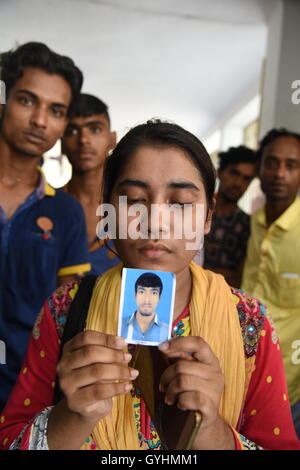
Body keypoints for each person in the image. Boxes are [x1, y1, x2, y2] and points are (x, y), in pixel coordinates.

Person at [0, 120, 299, 450]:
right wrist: (70, 417)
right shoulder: (65, 309)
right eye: (134, 200)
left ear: (208, 217)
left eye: (181, 203)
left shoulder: (249, 321)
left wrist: (210, 430)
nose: (155, 222)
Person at [0, 42, 91, 412]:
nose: (40, 120)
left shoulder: (66, 212)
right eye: (26, 101)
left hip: (23, 391)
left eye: (56, 111)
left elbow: (68, 312)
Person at [242, 128, 300, 438]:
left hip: (288, 382)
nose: (280, 173)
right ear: (259, 168)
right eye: (272, 162)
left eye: (291, 165)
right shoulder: (253, 220)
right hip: (243, 368)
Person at [62, 93, 119, 275]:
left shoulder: (132, 209)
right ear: (61, 142)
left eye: (94, 129)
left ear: (112, 139)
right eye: (72, 130)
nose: (83, 140)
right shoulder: (44, 205)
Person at [204, 146, 258, 287]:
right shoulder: (197, 210)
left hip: (224, 297)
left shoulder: (247, 224)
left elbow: (240, 276)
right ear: (220, 172)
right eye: (234, 173)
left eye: (246, 179)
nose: (238, 183)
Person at [121, 272, 169, 343]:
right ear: (135, 295)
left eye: (154, 293)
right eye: (142, 292)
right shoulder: (119, 325)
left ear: (159, 298)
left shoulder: (167, 331)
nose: (147, 299)